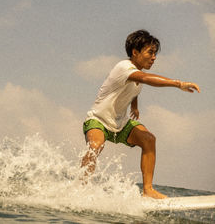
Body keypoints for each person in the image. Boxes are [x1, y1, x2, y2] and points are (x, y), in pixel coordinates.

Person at [80, 30, 200, 199]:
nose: (154, 57)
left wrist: (134, 107)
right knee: (96, 145)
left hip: (119, 124)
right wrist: (178, 83)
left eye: (155, 53)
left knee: (149, 139)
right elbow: (144, 79)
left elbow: (133, 88)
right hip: (97, 120)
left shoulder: (136, 71)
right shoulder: (124, 67)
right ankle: (81, 188)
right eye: (150, 52)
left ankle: (148, 190)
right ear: (135, 52)